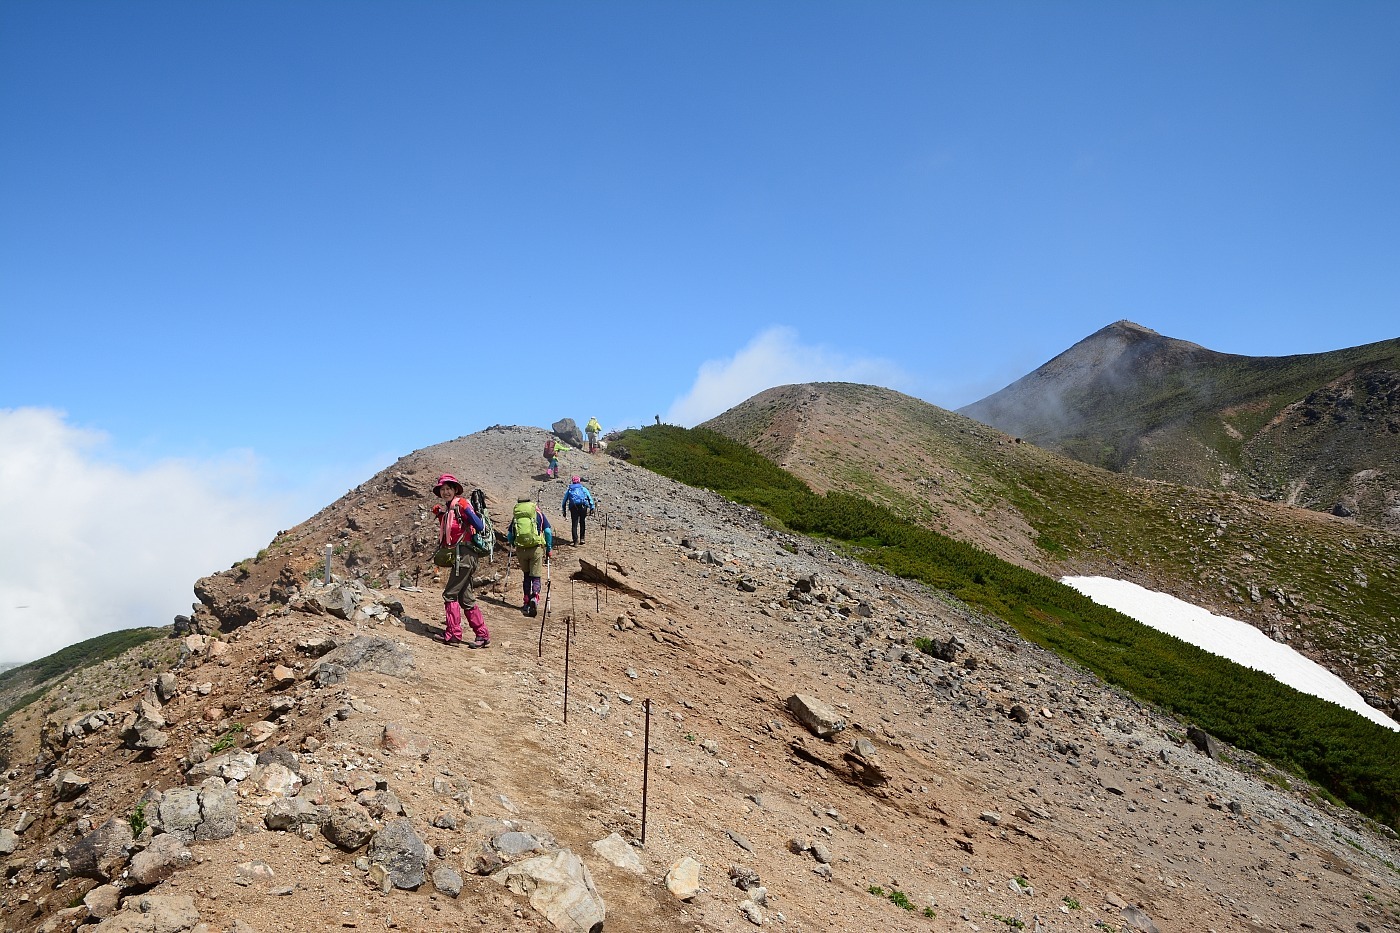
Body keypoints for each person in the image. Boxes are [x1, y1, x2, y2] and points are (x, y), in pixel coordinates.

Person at [430, 474, 490, 648]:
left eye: (448, 488)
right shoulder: (450, 509)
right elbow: (453, 527)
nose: (445, 492)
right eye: (442, 489)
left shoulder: (462, 505)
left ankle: (454, 634)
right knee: (466, 598)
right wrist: (440, 514)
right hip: (463, 556)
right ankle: (482, 635)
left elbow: (479, 526)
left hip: (464, 555)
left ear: (455, 489)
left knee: (449, 594)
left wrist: (468, 513)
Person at [507, 497, 553, 616]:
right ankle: (535, 597)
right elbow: (547, 532)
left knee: (526, 575)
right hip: (536, 549)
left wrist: (512, 543)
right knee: (536, 576)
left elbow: (510, 535)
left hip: (521, 550)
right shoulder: (539, 514)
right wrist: (549, 548)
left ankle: (526, 601)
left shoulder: (516, 517)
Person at [561, 475, 596, 546]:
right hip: (583, 507)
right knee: (582, 522)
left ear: (573, 482)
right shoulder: (583, 488)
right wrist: (592, 507)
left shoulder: (570, 490)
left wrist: (564, 510)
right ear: (579, 481)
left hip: (574, 508)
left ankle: (575, 541)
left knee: (574, 524)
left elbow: (564, 501)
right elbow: (589, 498)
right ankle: (582, 539)